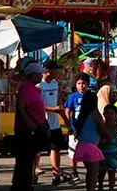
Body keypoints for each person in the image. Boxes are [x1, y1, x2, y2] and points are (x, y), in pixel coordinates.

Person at [71, 72, 115, 191]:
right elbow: (103, 129)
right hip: (91, 147)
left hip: (82, 145)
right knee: (93, 173)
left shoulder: (83, 115)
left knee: (90, 172)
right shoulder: (95, 115)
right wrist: (109, 135)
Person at [12, 62, 50, 191]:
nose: (41, 76)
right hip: (27, 131)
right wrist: (31, 125)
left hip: (32, 128)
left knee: (28, 160)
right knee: (25, 161)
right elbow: (21, 108)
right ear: (32, 75)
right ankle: (21, 186)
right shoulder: (26, 87)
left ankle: (25, 185)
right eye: (39, 74)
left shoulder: (32, 87)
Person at [38, 61, 72, 184]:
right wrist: (53, 109)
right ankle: (34, 172)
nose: (57, 72)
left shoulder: (54, 84)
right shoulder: (39, 86)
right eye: (55, 70)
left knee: (56, 148)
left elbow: (57, 103)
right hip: (42, 122)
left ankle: (56, 174)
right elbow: (37, 105)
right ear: (48, 70)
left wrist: (66, 120)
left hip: (54, 123)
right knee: (37, 149)